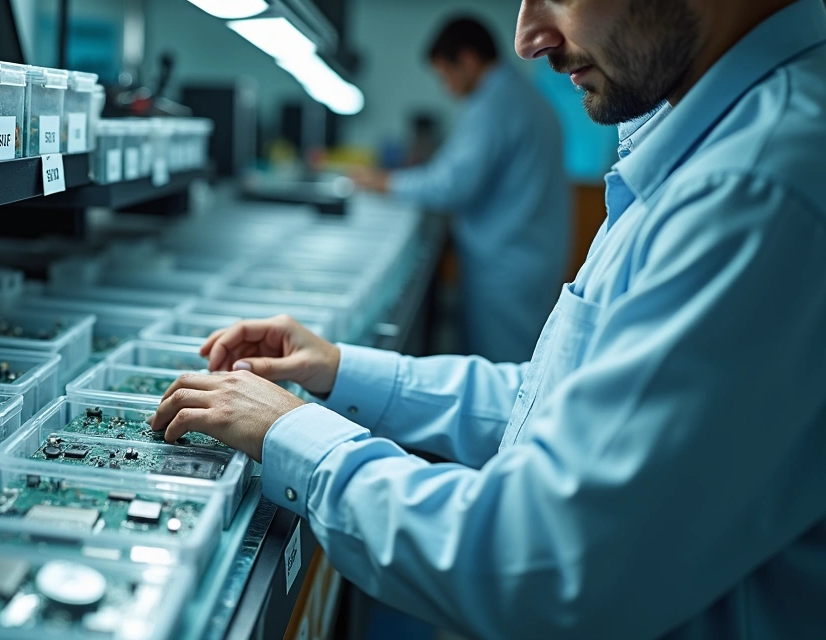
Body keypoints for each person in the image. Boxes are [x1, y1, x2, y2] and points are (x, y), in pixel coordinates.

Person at [152, 0, 826, 637]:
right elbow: (557, 407)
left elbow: (540, 561)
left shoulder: (757, 186)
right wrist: (339, 371)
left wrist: (292, 434)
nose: (528, 38)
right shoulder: (708, 145)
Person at [351, 16, 570, 364]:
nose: (446, 86)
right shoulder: (521, 95)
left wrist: (383, 182)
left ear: (467, 60)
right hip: (528, 258)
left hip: (507, 267)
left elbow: (450, 185)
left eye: (445, 74)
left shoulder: (493, 104)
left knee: (502, 371)